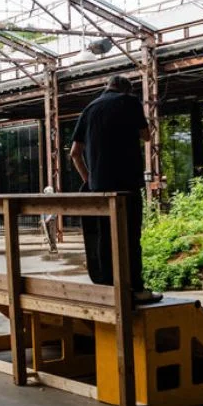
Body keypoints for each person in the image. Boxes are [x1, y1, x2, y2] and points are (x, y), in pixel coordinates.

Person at [68, 74, 162, 304]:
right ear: (127, 90)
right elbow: (146, 136)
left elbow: (74, 153)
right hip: (126, 185)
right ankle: (136, 289)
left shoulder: (89, 109)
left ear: (106, 87)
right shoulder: (129, 103)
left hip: (100, 189)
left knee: (104, 238)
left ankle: (108, 290)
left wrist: (89, 180)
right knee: (130, 236)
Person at [41, 186, 59, 254]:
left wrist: (49, 217)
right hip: (46, 219)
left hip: (51, 219)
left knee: (52, 234)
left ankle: (54, 248)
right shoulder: (45, 200)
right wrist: (43, 219)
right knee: (48, 234)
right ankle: (51, 247)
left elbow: (55, 210)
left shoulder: (53, 200)